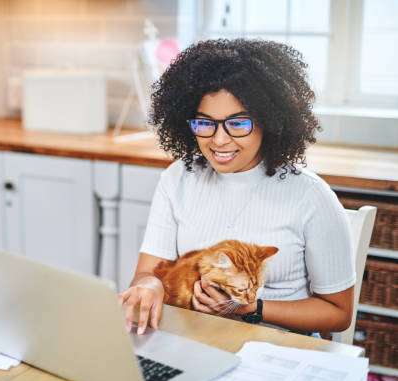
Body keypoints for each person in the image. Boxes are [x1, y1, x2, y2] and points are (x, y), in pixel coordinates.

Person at [119, 39, 355, 336]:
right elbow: (147, 273)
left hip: (272, 352)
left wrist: (252, 310)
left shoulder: (310, 197)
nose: (218, 140)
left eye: (238, 123)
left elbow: (338, 312)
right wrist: (148, 288)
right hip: (193, 341)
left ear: (269, 121)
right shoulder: (179, 178)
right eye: (205, 123)